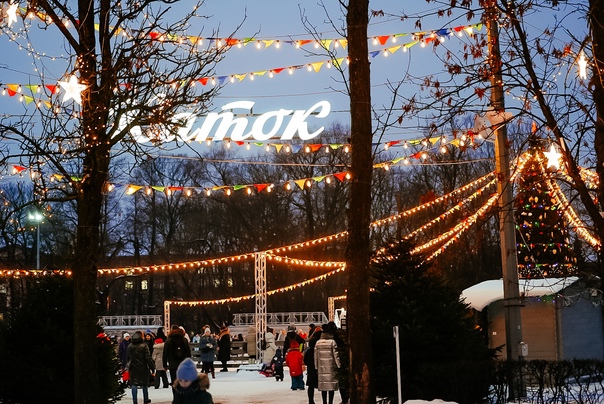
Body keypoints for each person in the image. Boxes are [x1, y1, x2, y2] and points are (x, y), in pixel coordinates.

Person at [314, 323, 341, 404]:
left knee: (323, 386)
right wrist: (338, 365)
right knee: (331, 386)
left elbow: (315, 356)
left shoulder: (318, 343)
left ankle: (324, 402)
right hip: (331, 366)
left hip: (321, 368)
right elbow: (336, 355)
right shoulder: (332, 342)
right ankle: (330, 402)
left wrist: (316, 366)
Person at [126, 331, 155, 404]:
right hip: (143, 367)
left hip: (133, 367)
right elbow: (148, 357)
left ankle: (135, 401)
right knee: (144, 384)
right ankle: (146, 399)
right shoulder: (144, 345)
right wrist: (152, 367)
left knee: (134, 384)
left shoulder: (129, 346)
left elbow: (128, 357)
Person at [305, 326, 323, 404]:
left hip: (311, 369)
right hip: (322, 368)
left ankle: (311, 401)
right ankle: (325, 401)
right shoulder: (321, 350)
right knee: (323, 386)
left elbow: (306, 361)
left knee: (311, 386)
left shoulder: (310, 350)